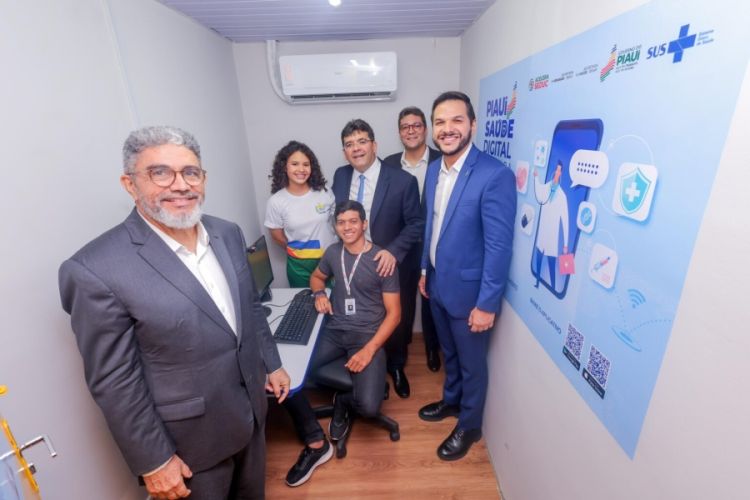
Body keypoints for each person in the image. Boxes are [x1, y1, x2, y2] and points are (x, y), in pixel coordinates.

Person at [58, 126, 290, 499]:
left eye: (190, 173)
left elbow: (249, 307)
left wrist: (272, 364)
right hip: (188, 448)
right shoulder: (95, 269)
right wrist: (154, 461)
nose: (180, 185)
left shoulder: (227, 233)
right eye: (161, 173)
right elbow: (115, 381)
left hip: (250, 417)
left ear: (203, 179)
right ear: (130, 184)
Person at [418, 92, 516, 461]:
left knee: (473, 365)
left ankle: (470, 424)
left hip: (471, 294)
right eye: (440, 122)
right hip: (437, 285)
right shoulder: (433, 170)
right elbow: (432, 226)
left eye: (456, 120)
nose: (447, 129)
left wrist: (487, 304)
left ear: (473, 125)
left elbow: (498, 247)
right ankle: (452, 401)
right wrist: (425, 269)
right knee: (450, 354)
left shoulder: (494, 175)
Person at [282, 200, 400, 487]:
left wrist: (369, 350)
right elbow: (316, 277)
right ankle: (316, 437)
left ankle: (344, 400)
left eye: (353, 221)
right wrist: (319, 294)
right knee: (293, 373)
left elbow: (395, 315)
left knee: (369, 408)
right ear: (336, 227)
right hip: (335, 330)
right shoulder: (333, 253)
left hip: (367, 336)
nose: (347, 227)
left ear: (364, 224)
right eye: (341, 222)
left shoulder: (382, 260)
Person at [332, 119, 423, 398]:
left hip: (388, 262)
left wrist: (393, 251)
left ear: (374, 145)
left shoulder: (402, 181)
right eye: (349, 144)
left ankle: (396, 366)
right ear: (344, 151)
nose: (356, 148)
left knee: (395, 317)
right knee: (360, 315)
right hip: (352, 261)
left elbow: (416, 224)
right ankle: (368, 368)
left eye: (362, 141)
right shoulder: (341, 176)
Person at [383, 106, 443, 372]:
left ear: (425, 130)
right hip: (403, 245)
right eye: (405, 127)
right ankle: (402, 347)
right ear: (399, 133)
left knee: (431, 298)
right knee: (403, 299)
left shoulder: (442, 160)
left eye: (416, 125)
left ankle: (432, 347)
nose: (411, 131)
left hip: (434, 243)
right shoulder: (389, 164)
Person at [264, 141, 336, 287]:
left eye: (306, 164)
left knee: (335, 299)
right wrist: (300, 251)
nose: (301, 169)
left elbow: (334, 223)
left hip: (330, 259)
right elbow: (277, 236)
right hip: (299, 266)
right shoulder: (276, 201)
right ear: (285, 167)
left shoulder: (324, 192)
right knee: (303, 300)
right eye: (295, 164)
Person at [532, 160, 569, 290]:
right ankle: (537, 282)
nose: (557, 172)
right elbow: (539, 194)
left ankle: (552, 286)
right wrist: (536, 178)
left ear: (561, 173)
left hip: (552, 234)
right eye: (556, 169)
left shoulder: (562, 197)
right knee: (538, 258)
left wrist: (565, 245)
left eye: (559, 170)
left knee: (551, 263)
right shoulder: (547, 187)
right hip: (543, 231)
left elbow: (565, 221)